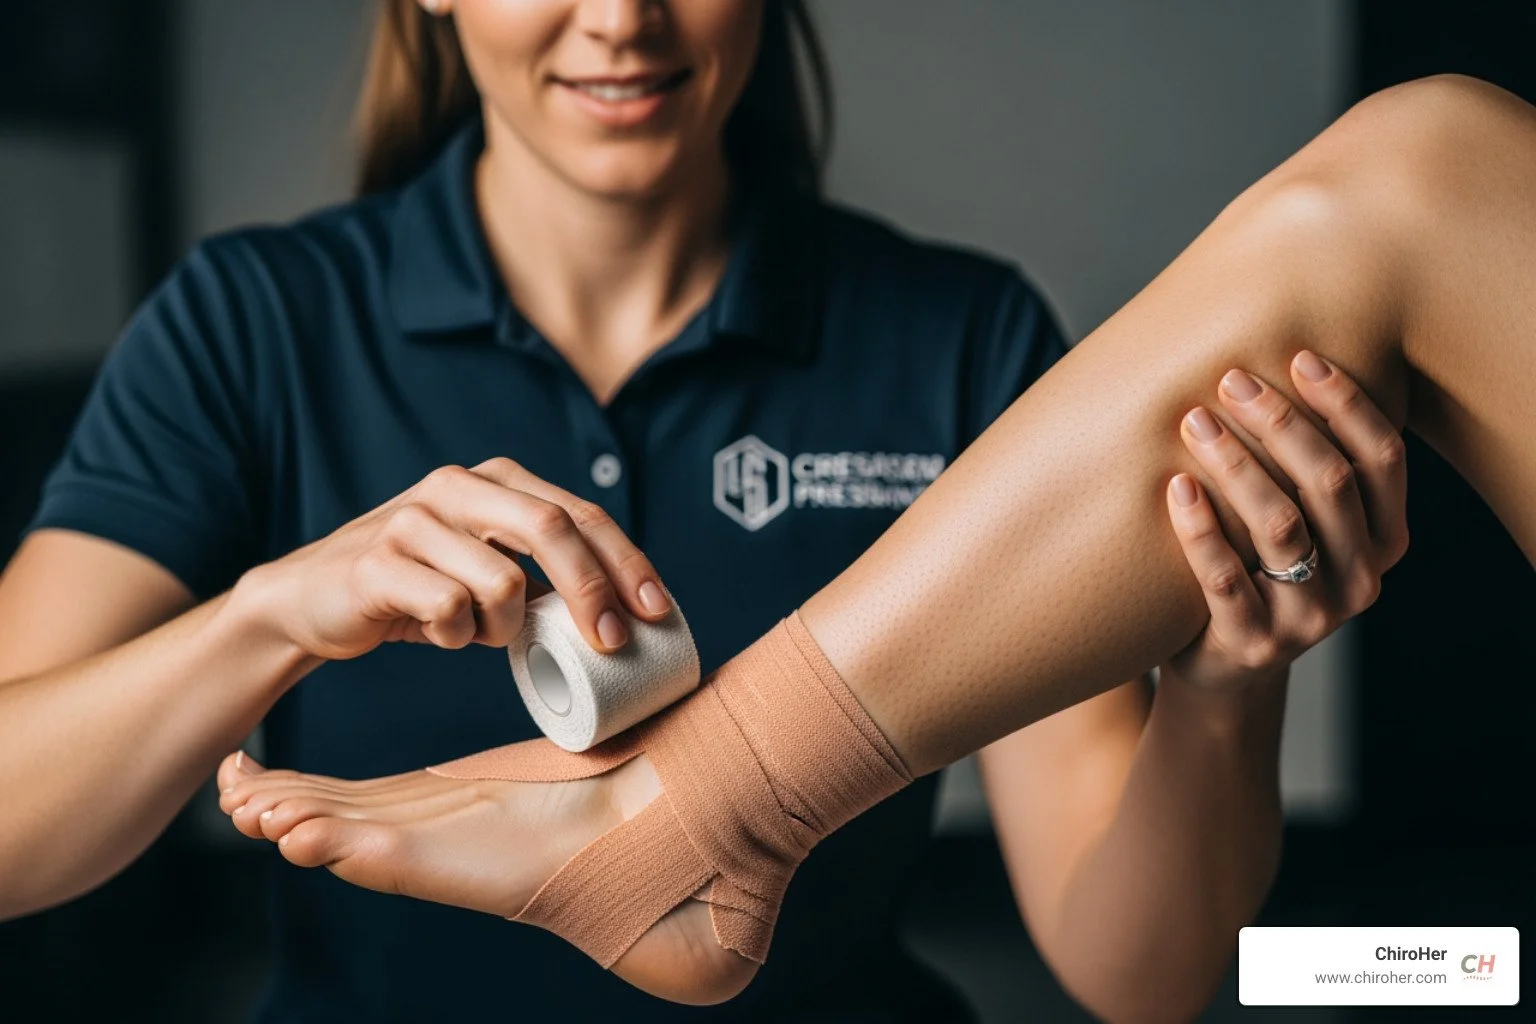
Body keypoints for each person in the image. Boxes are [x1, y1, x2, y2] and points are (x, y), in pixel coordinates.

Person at [0, 1, 1405, 1021]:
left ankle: (701, 832)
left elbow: (1140, 977)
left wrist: (1225, 694)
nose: (623, 18)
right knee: (1419, 154)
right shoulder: (252, 324)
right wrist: (268, 617)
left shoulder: (959, 341)